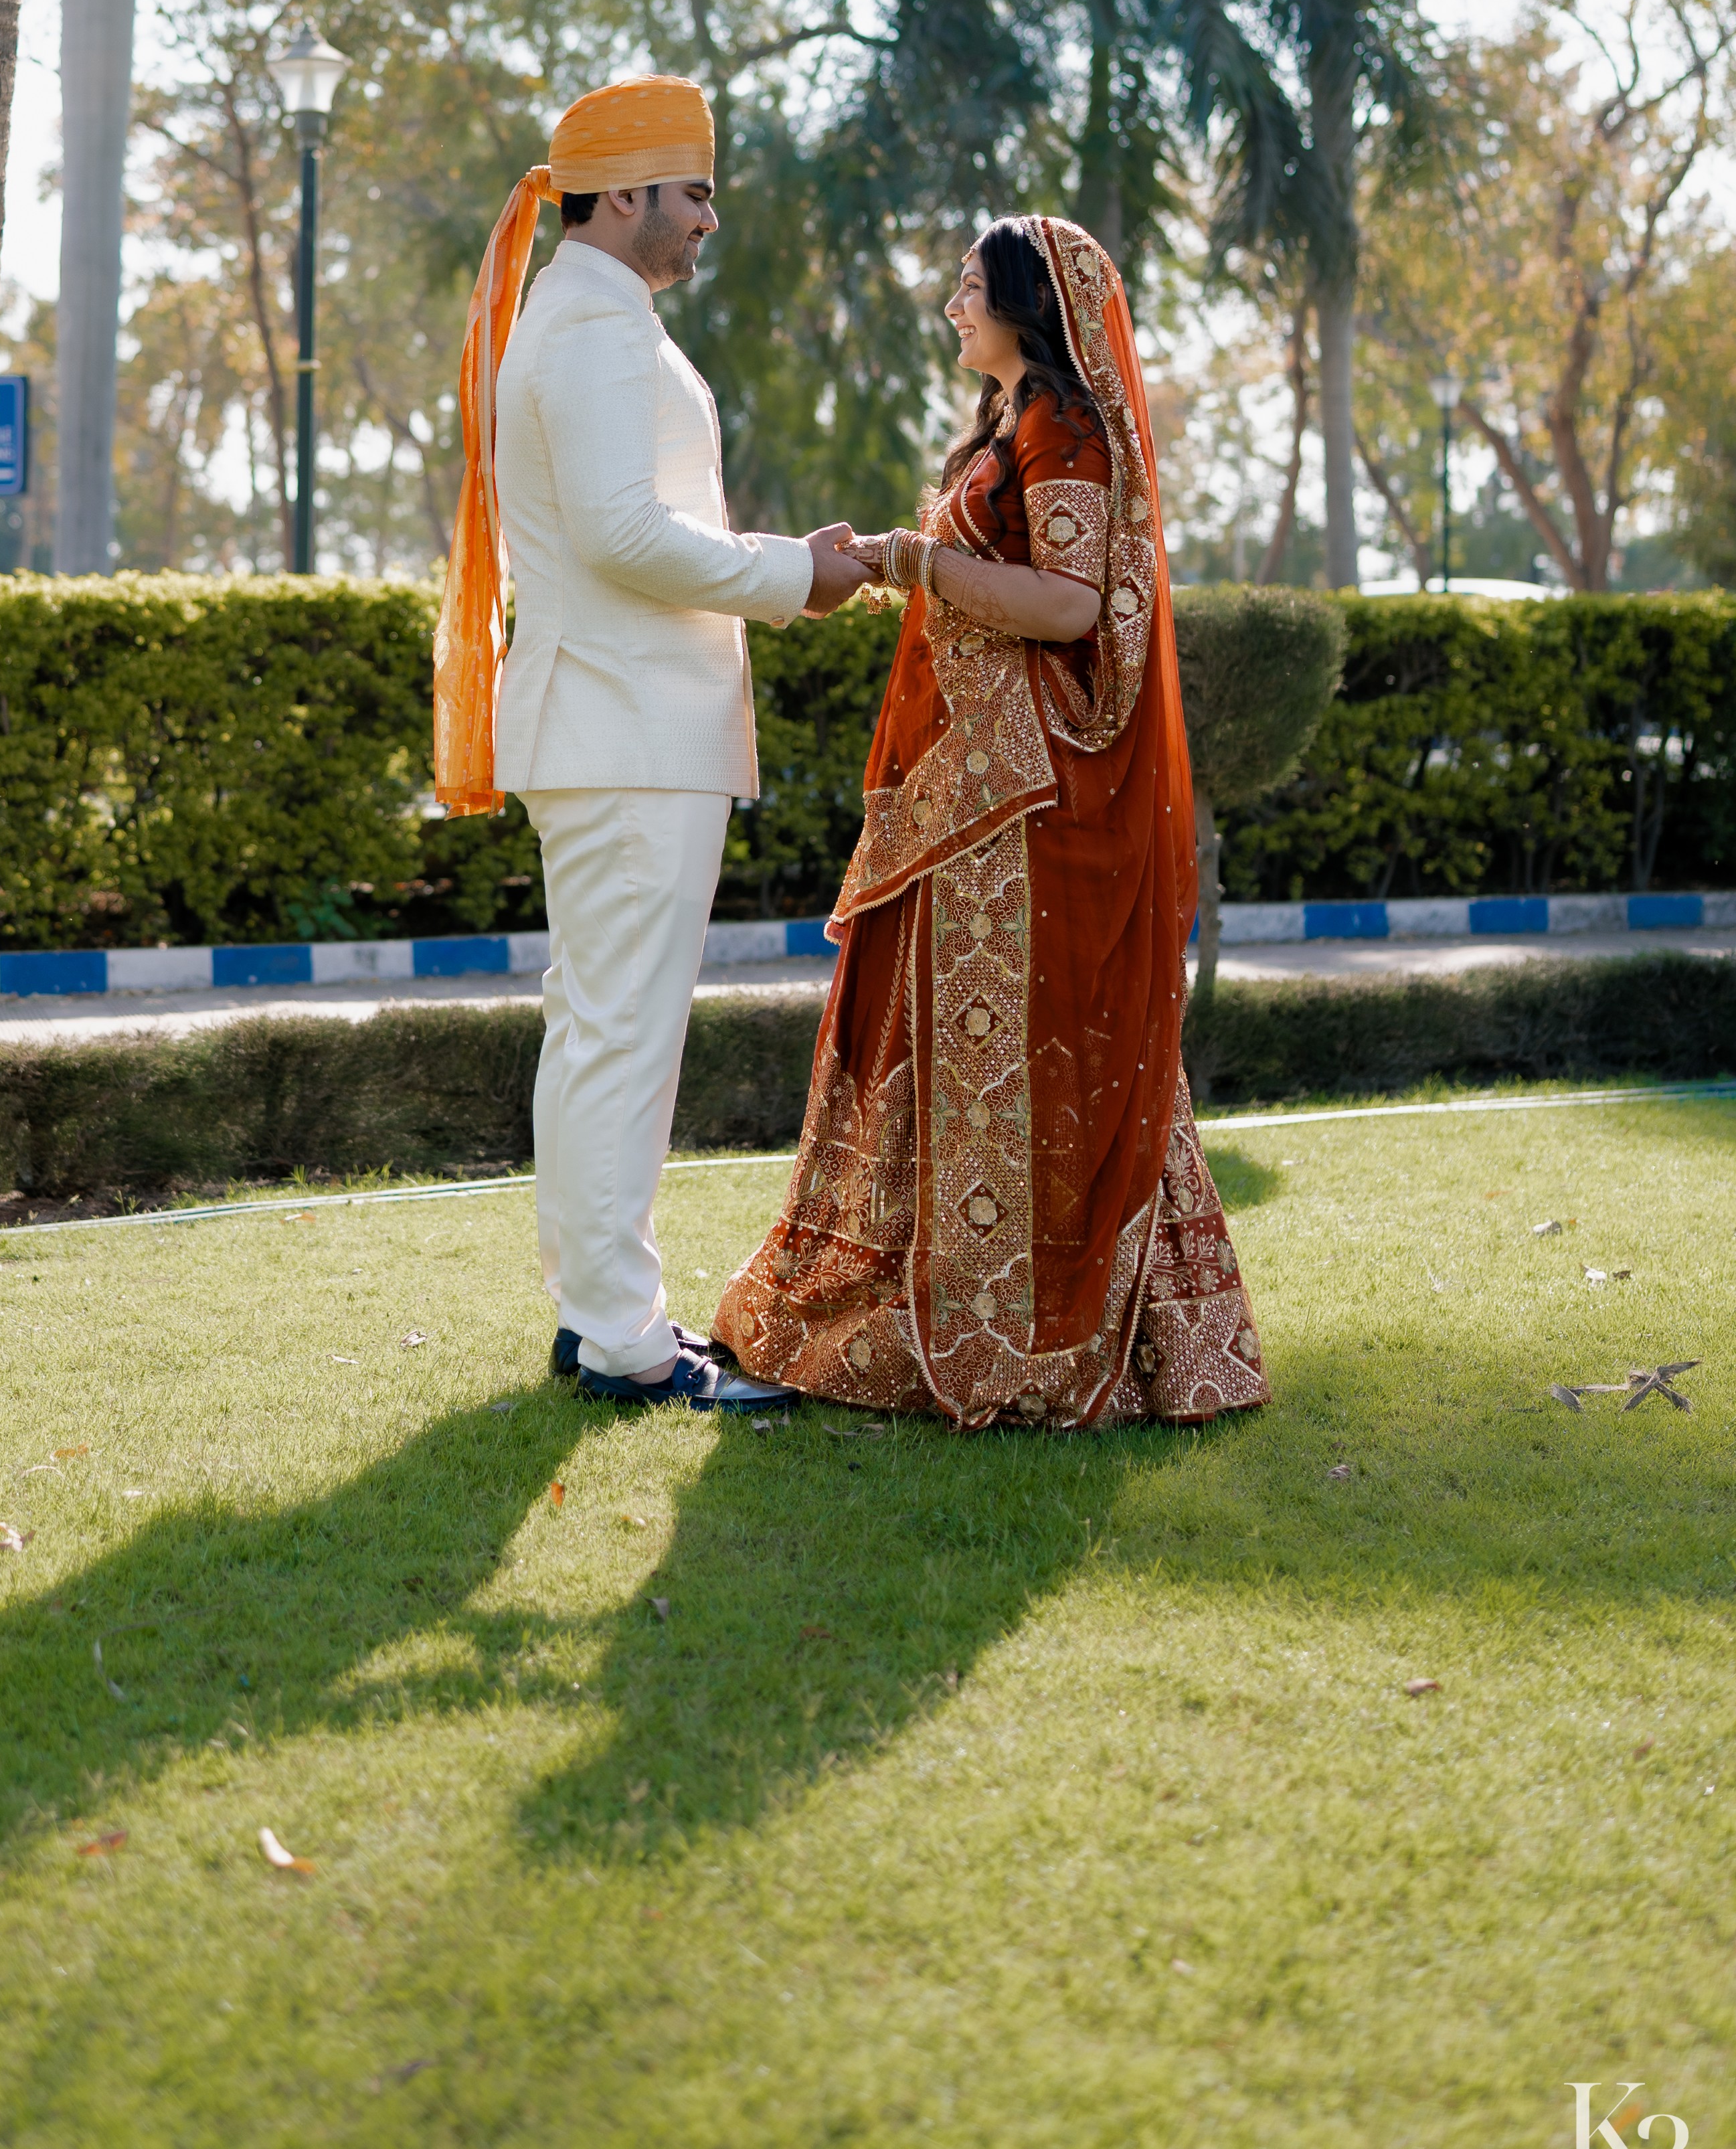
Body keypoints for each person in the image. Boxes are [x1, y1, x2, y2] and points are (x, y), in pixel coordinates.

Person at [714, 213, 1268, 1429]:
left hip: (1021, 801)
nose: (951, 306)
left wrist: (916, 560)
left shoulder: (1061, 426)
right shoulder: (1010, 425)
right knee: (933, 1031)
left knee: (1018, 1045)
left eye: (969, 286)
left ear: (1026, 301)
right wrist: (900, 562)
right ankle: (923, 1293)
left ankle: (1016, 1331)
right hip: (967, 794)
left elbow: (1068, 607)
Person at [434, 74, 873, 1407]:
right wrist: (794, 573)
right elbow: (626, 533)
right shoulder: (594, 330)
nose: (708, 218)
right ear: (622, 194)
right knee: (620, 1038)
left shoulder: (584, 317)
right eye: (694, 193)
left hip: (613, 726)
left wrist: (783, 566)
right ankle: (622, 1336)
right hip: (624, 730)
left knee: (598, 1031)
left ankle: (599, 1317)